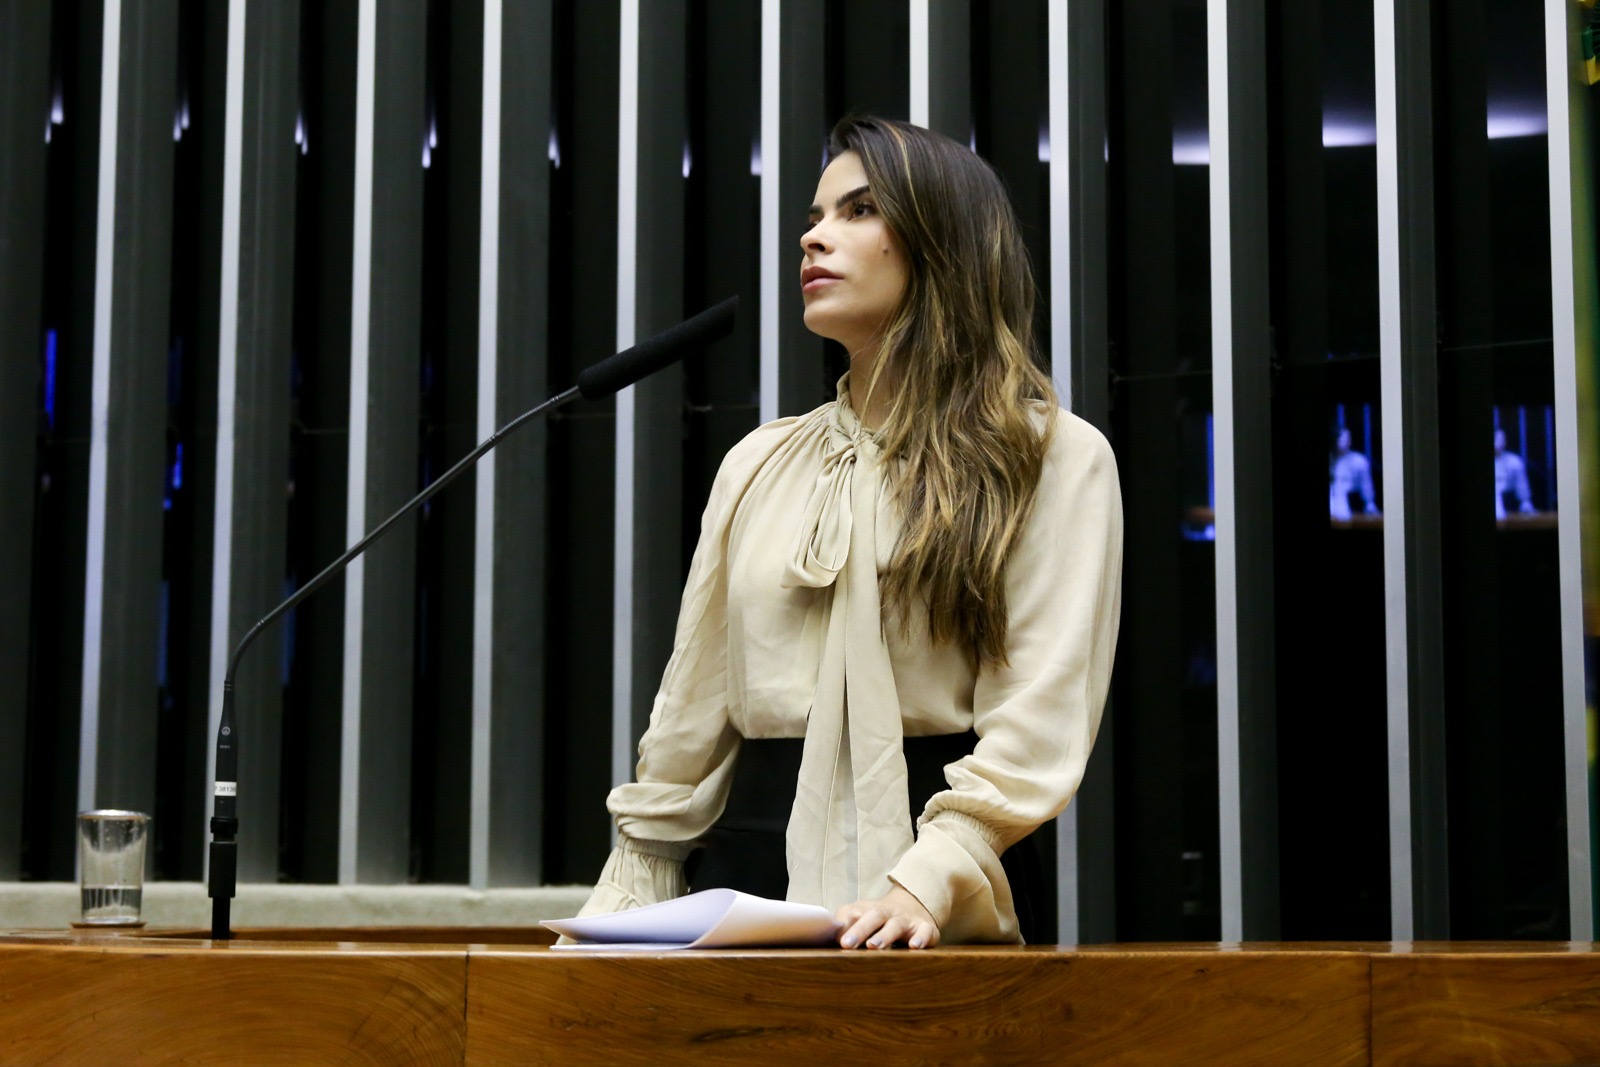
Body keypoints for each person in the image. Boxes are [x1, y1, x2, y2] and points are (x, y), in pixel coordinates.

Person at [572, 116, 1123, 949]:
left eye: (859, 210)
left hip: (945, 880)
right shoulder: (757, 462)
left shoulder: (1051, 455)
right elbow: (690, 714)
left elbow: (1038, 717)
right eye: (814, 216)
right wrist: (623, 901)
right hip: (747, 874)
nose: (814, 237)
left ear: (943, 240)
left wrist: (926, 881)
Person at [1329, 427, 1380, 521]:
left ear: (1350, 441)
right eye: (1341, 439)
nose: (1344, 442)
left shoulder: (1359, 461)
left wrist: (1369, 503)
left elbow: (1366, 484)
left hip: (1350, 503)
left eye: (1347, 439)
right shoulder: (1330, 459)